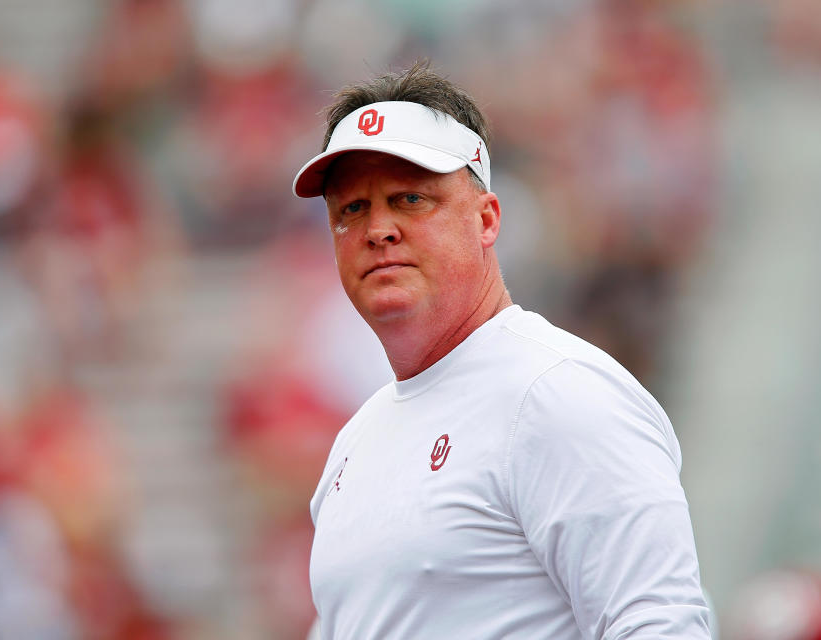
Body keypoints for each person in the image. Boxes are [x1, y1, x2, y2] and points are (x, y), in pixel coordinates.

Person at [292, 62, 711, 639]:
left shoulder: (555, 392)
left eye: (410, 198)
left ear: (486, 219)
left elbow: (657, 623)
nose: (378, 229)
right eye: (351, 210)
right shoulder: (353, 444)